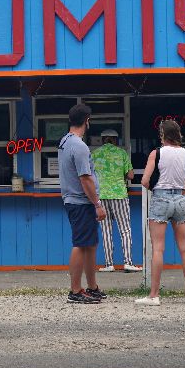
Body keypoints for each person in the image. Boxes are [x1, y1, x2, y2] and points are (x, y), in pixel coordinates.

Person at [136, 120, 185, 306]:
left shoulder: (157, 153)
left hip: (160, 199)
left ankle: (154, 295)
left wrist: (156, 186)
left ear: (163, 134)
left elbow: (145, 181)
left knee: (158, 248)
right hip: (180, 199)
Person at [58, 104, 107, 303]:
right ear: (87, 120)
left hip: (75, 200)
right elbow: (85, 177)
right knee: (80, 244)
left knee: (90, 244)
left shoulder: (65, 141)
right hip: (81, 202)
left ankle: (92, 286)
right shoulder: (79, 145)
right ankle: (75, 291)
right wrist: (97, 204)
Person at [91, 129, 141, 273]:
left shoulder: (95, 154)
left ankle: (109, 264)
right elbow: (131, 175)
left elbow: (89, 175)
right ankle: (128, 263)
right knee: (125, 229)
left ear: (102, 140)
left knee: (106, 231)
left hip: (101, 196)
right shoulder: (122, 153)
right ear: (116, 140)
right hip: (119, 195)